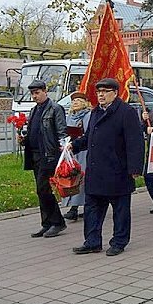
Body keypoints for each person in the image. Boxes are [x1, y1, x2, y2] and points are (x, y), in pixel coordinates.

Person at [71, 78, 145, 256]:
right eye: (98, 92)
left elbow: (135, 143)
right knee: (92, 209)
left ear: (115, 93)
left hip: (117, 171)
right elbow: (89, 137)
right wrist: (73, 145)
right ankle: (92, 242)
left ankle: (119, 242)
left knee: (120, 210)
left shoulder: (126, 112)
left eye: (105, 91)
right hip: (96, 171)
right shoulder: (96, 112)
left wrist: (135, 169)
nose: (101, 95)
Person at [22, 79, 68, 238]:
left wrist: (63, 152)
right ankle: (47, 222)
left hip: (49, 156)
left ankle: (57, 222)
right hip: (35, 155)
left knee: (43, 189)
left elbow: (62, 132)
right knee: (42, 191)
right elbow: (34, 131)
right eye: (33, 93)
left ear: (45, 91)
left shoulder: (55, 109)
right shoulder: (34, 110)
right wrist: (24, 139)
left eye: (37, 93)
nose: (35, 96)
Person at [62, 91, 92, 221]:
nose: (75, 103)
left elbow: (88, 134)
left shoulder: (88, 116)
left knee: (82, 178)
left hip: (83, 151)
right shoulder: (70, 116)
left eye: (78, 101)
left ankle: (80, 207)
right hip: (71, 150)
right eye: (73, 101)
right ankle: (73, 206)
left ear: (84, 103)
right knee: (71, 176)